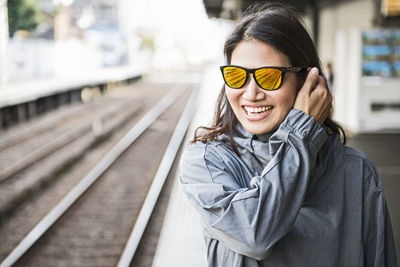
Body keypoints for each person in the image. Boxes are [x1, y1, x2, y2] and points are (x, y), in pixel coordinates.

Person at [179, 2, 397, 267]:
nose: (251, 94)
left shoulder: (356, 171)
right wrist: (301, 131)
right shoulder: (208, 162)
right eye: (237, 77)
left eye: (269, 77)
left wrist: (300, 131)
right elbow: (255, 234)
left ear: (308, 82)